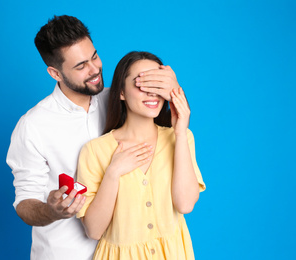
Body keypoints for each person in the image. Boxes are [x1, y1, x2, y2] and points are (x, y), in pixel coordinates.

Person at [6, 16, 181, 260]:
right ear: (55, 73)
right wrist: (52, 210)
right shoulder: (33, 126)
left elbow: (168, 127)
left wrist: (171, 87)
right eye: (80, 66)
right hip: (66, 254)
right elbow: (25, 203)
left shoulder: (120, 100)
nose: (95, 69)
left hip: (126, 252)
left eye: (94, 57)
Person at [76, 51, 206, 259]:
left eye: (157, 85)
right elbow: (93, 230)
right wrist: (113, 172)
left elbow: (185, 204)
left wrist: (180, 132)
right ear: (121, 92)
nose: (151, 93)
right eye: (142, 83)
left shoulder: (181, 138)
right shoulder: (95, 151)